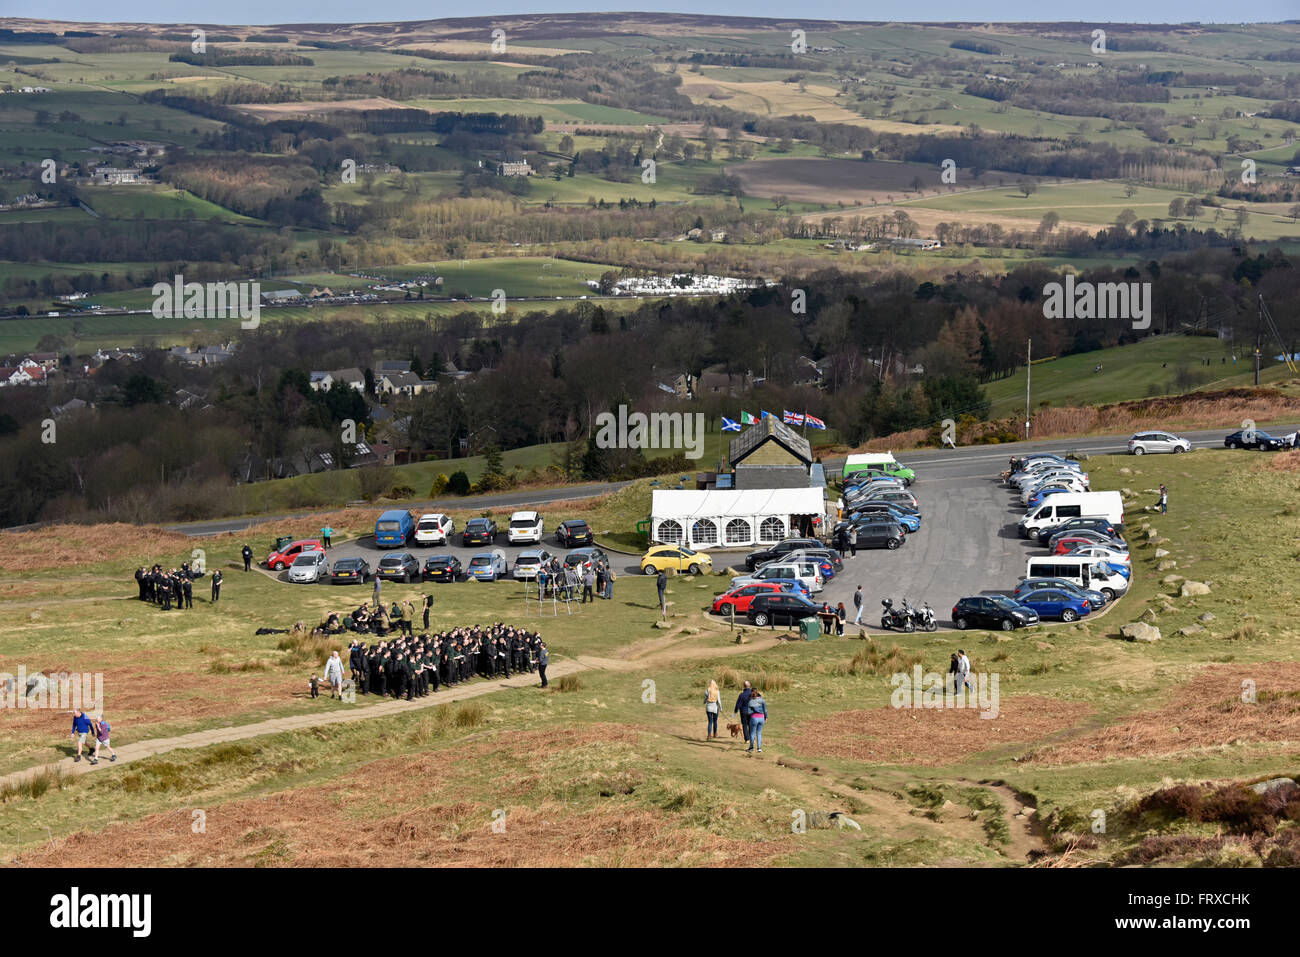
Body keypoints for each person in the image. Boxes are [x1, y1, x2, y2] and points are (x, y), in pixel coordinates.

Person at [733, 680, 753, 746]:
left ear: (744, 686)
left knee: (744, 725)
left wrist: (735, 711)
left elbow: (738, 704)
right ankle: (751, 738)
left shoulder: (741, 695)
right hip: (751, 711)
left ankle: (747, 739)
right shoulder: (753, 694)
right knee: (750, 725)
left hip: (743, 712)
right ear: (749, 686)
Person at [747, 689, 767, 753]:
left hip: (754, 718)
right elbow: (765, 710)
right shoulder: (762, 700)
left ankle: (751, 747)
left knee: (752, 733)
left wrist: (753, 711)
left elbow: (749, 712)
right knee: (759, 733)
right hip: (762, 717)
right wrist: (766, 717)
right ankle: (759, 748)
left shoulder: (750, 701)